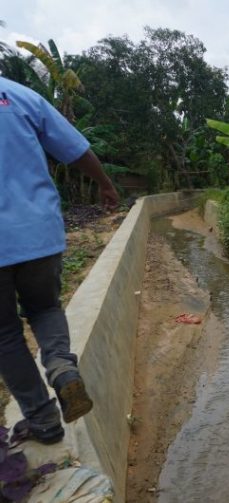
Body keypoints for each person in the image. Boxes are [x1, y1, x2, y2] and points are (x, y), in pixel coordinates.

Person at [0, 76, 119, 444]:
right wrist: (105, 184)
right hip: (38, 233)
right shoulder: (18, 95)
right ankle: (63, 370)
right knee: (46, 308)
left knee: (4, 335)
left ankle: (43, 420)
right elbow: (75, 147)